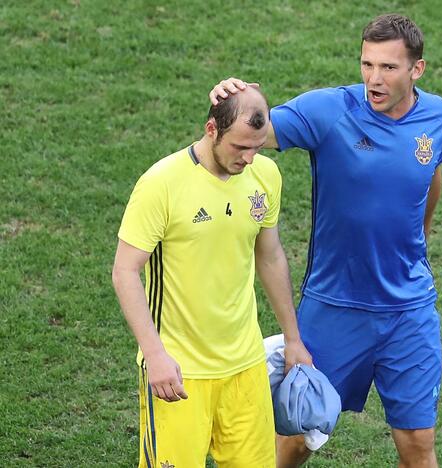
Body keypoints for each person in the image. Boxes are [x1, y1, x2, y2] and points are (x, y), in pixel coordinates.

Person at [210, 14, 442, 468]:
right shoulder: (329, 111)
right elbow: (256, 132)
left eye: (388, 68)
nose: (373, 79)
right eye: (367, 65)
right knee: (303, 431)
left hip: (409, 312)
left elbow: (431, 173)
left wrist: (421, 236)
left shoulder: (438, 116)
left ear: (416, 70)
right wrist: (235, 101)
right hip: (335, 307)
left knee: (419, 444)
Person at [112, 86, 312, 468]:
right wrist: (155, 355)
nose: (249, 158)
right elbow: (125, 271)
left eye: (257, 147)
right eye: (240, 147)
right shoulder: (162, 184)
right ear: (211, 130)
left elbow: (269, 257)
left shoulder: (265, 176)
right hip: (180, 371)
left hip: (246, 366)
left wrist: (293, 338)